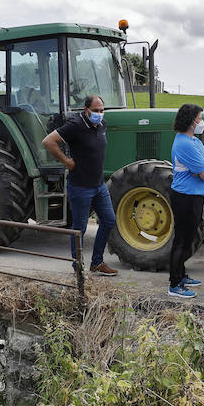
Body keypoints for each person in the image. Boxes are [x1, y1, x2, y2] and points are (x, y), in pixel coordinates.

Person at [41, 95, 119, 277]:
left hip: (99, 186)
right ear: (86, 110)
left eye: (102, 110)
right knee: (79, 228)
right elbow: (48, 141)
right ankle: (77, 266)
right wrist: (67, 162)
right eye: (96, 110)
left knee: (109, 220)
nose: (100, 114)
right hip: (80, 187)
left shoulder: (102, 125)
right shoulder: (75, 125)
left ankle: (97, 262)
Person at [168, 104, 204, 299]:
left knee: (188, 239)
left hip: (194, 196)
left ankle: (181, 275)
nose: (201, 122)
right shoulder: (185, 144)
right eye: (199, 118)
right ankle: (174, 284)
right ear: (190, 121)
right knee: (181, 240)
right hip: (185, 197)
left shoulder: (193, 141)